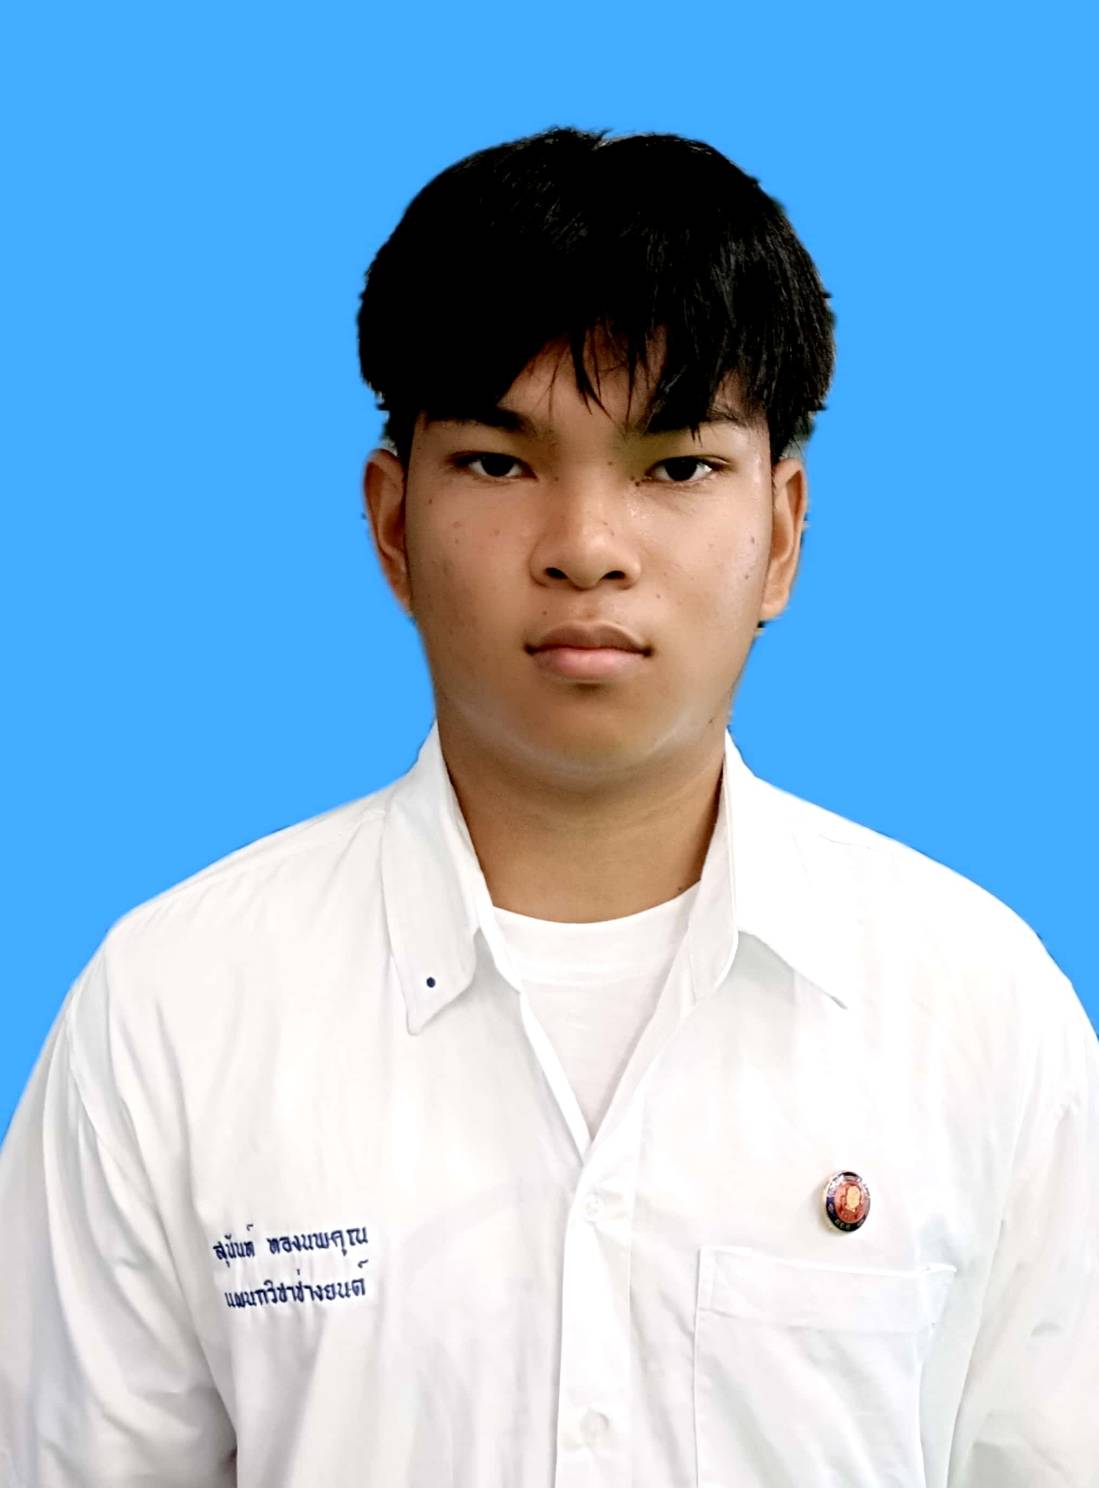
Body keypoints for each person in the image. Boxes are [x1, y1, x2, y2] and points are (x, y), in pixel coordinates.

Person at [1, 125, 1095, 1488]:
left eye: (676, 466)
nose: (585, 548)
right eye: (498, 463)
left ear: (782, 532)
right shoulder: (172, 1011)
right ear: (392, 525)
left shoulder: (977, 1009)